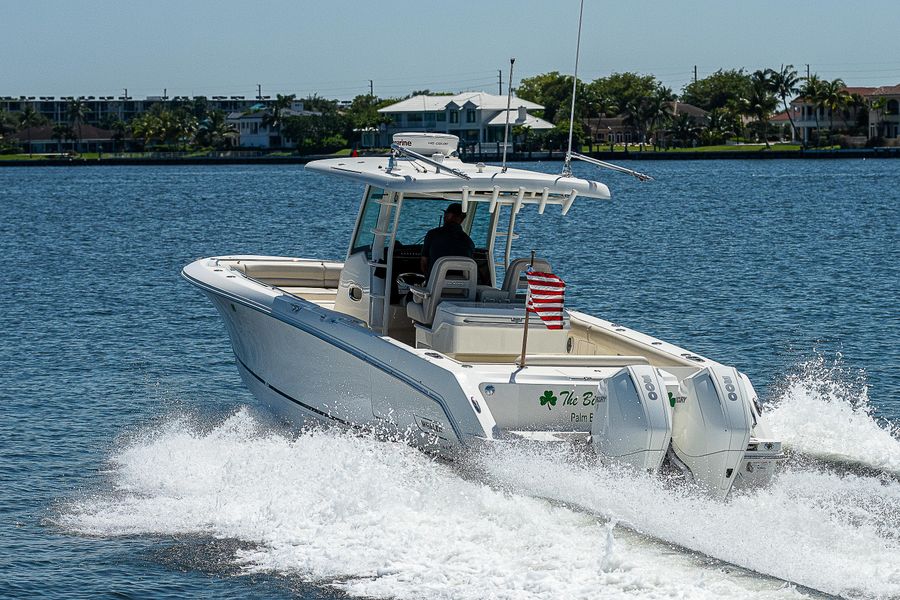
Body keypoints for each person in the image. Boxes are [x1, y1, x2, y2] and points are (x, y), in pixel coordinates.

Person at [420, 202, 475, 280]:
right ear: (461, 220)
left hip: (435, 287)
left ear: (448, 215)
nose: (444, 216)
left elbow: (424, 263)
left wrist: (429, 281)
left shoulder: (432, 234)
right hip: (462, 289)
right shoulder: (469, 241)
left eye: (446, 214)